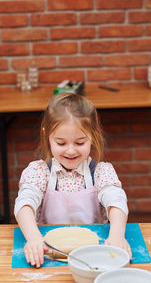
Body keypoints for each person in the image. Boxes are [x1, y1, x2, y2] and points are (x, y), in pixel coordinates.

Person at [14, 93, 132, 268]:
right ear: (47, 136)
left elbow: (116, 201)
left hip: (94, 255)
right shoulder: (39, 172)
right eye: (61, 143)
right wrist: (34, 238)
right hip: (49, 253)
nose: (70, 151)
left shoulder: (100, 172)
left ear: (92, 136)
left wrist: (116, 235)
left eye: (79, 142)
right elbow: (24, 203)